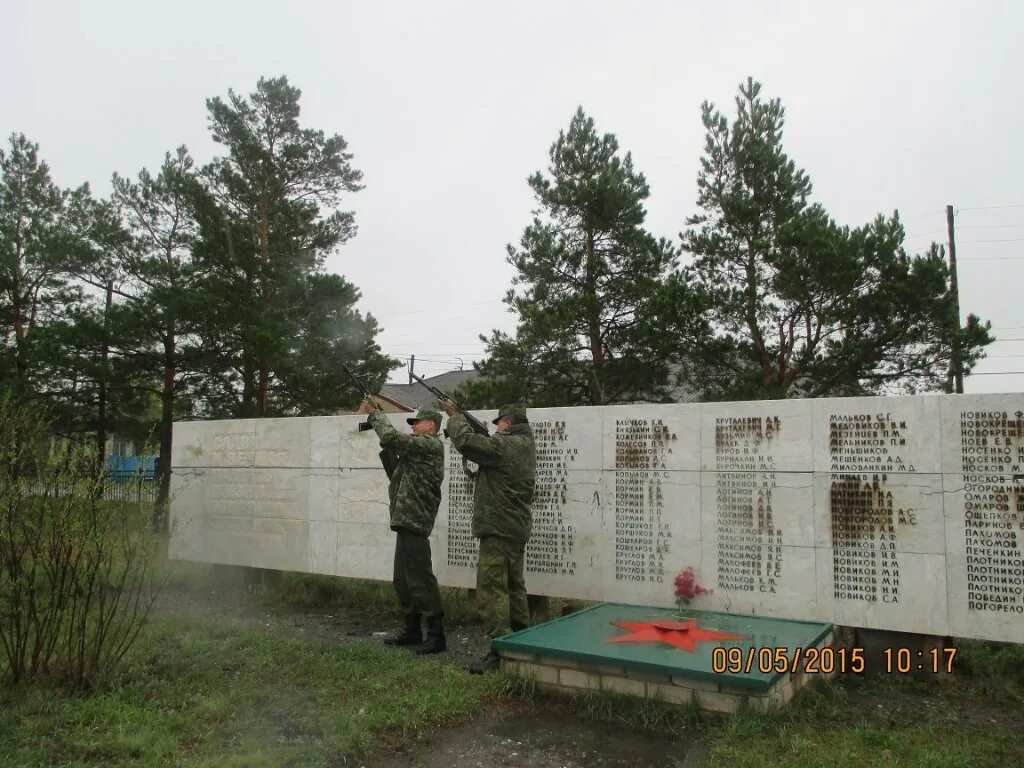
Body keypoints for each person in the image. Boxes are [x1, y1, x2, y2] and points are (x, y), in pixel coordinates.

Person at [441, 402, 536, 674]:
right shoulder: (524, 444)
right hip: (514, 528)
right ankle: (520, 642)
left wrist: (456, 417)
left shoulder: (505, 446)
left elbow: (466, 443)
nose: (496, 427)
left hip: (498, 528)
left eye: (498, 423)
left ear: (507, 421)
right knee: (514, 586)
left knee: (492, 588)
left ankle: (500, 650)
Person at [366, 405, 447, 654]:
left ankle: (436, 635)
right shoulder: (417, 452)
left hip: (415, 520)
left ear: (431, 425)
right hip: (405, 520)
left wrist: (376, 414)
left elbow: (390, 436)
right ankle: (412, 629)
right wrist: (390, 451)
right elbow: (397, 477)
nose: (413, 425)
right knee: (402, 579)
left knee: (420, 578)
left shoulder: (431, 445)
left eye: (417, 421)